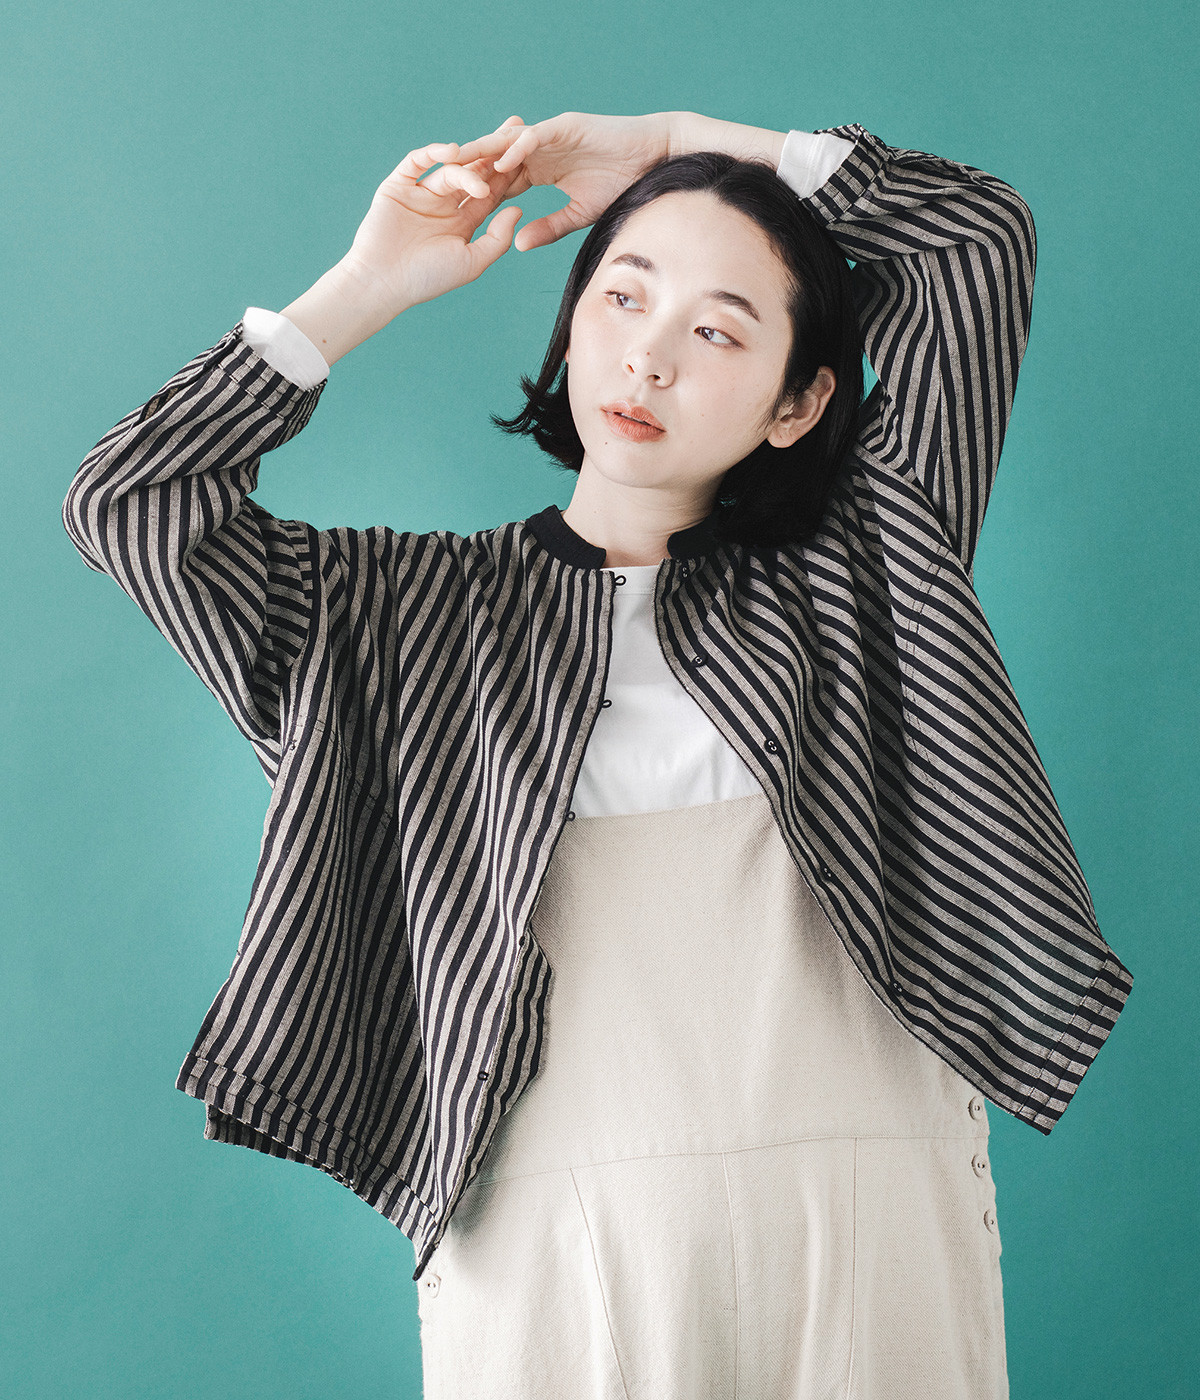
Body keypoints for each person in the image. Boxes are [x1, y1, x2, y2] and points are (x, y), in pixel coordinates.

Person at [62, 110, 1134, 1399]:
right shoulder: (394, 622)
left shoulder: (867, 566)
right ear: (572, 325)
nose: (650, 357)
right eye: (623, 297)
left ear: (799, 403)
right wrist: (370, 282)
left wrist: (679, 140)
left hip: (872, 1217)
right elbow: (131, 501)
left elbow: (975, 238)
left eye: (718, 330)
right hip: (554, 1241)